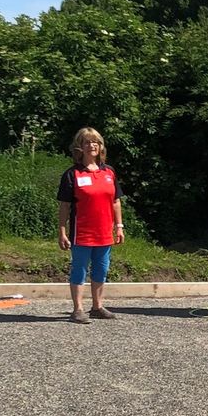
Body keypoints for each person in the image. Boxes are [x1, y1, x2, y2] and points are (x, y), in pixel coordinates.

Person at [57, 127, 124, 324]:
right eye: (87, 142)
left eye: (95, 142)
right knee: (80, 269)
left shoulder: (109, 172)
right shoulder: (72, 174)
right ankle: (78, 309)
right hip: (82, 232)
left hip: (105, 231)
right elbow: (65, 206)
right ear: (80, 146)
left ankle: (97, 306)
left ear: (101, 146)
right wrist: (62, 230)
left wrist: (119, 226)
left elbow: (115, 201)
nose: (92, 145)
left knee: (102, 269)